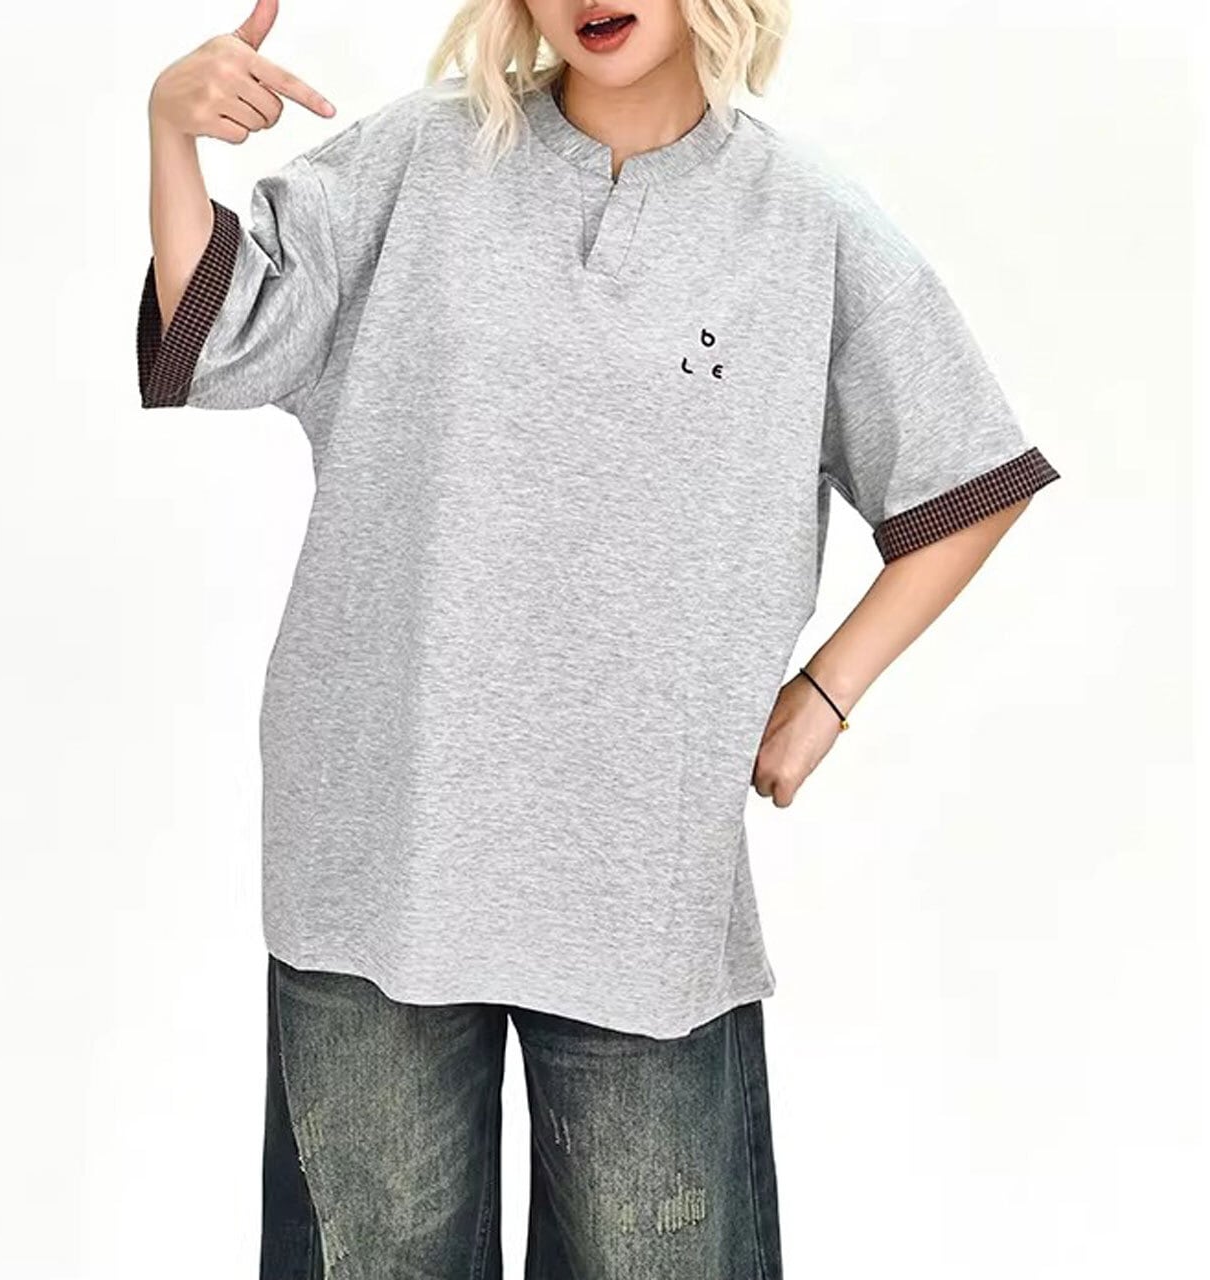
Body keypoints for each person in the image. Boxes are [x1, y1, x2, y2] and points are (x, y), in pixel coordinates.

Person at [137, 0, 1062, 1275]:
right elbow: (221, 338)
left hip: (638, 875)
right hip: (376, 839)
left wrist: (823, 692)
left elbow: (970, 477)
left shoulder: (805, 224)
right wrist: (171, 137)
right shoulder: (420, 160)